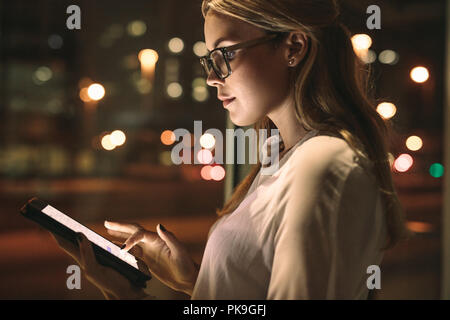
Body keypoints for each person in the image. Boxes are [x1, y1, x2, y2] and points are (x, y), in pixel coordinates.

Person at [52, 0, 411, 299]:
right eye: (210, 59)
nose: (212, 76)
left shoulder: (321, 163)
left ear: (294, 47)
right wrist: (195, 280)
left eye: (224, 54)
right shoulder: (282, 159)